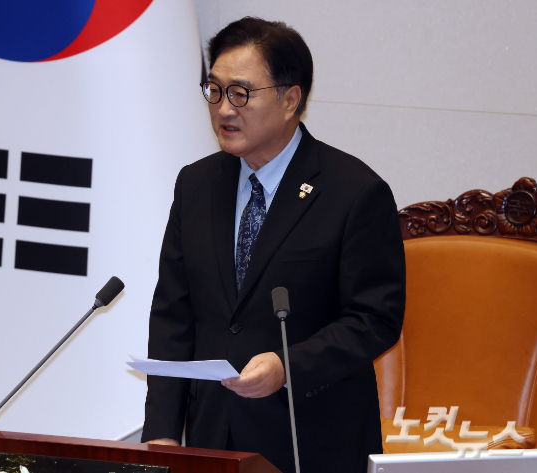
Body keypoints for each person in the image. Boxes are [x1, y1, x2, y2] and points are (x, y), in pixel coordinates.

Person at [141, 17, 406, 473]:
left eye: (241, 93)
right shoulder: (196, 184)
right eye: (215, 90)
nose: (224, 109)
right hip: (213, 437)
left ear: (290, 100)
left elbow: (374, 319)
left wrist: (288, 366)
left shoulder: (354, 192)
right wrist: (163, 429)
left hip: (313, 441)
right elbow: (173, 316)